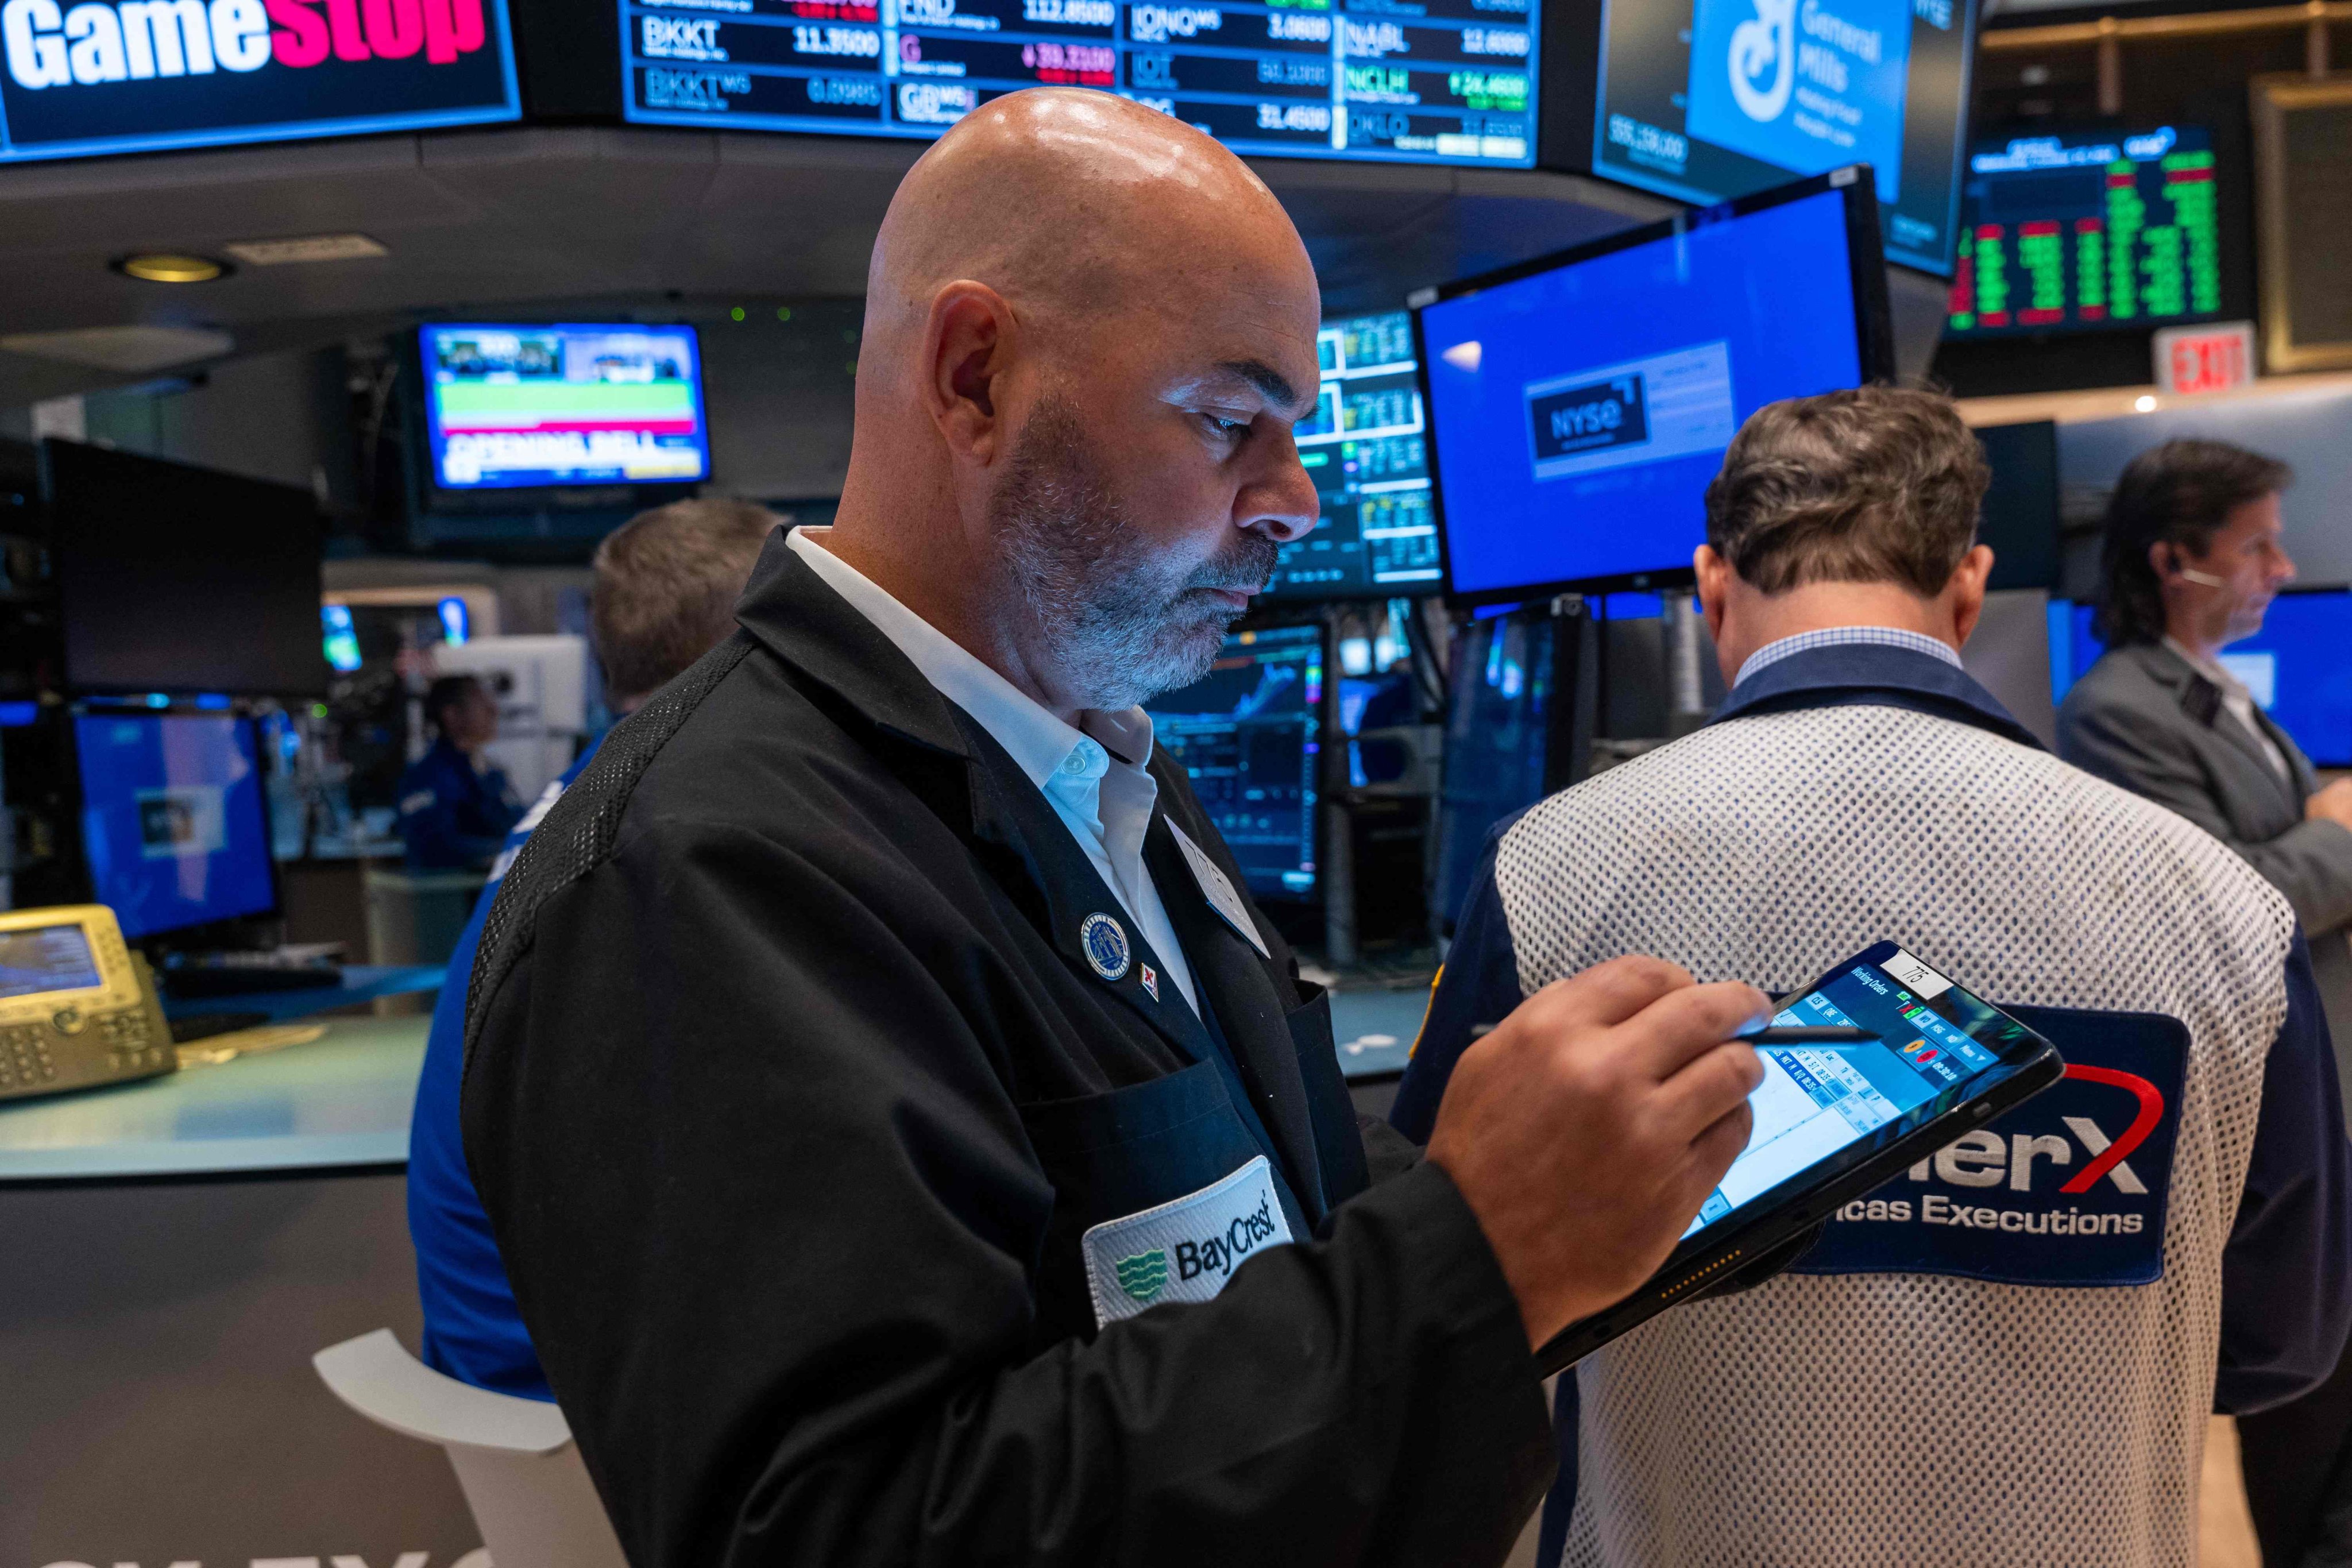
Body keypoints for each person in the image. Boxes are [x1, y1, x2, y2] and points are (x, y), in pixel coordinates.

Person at [460, 88, 1775, 1567]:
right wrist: (1475, 1256)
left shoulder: (1100, 764)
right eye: (1230, 421)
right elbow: (853, 1530)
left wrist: (1577, 1187)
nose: (1294, 501)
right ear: (975, 378)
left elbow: (1250, 1234)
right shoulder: (702, 869)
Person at [1393, 387, 2352, 1568]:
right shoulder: (2218, 904)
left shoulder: (1546, 869)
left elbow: (1443, 1285)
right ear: (1965, 585)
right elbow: (2272, 1344)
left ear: (1709, 587)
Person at [408, 497, 782, 1399]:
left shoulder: (599, 803)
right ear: (757, 642)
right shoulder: (675, 842)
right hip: (596, 1437)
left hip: (546, 1386)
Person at [2057, 439, 2352, 1567]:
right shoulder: (2113, 712)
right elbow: (2227, 904)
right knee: (2311, 1432)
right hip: (2280, 1116)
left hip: (2326, 1092)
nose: (2281, 568)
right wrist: (2332, 837)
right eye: (2258, 545)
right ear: (2173, 558)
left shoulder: (2218, 696)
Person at [395, 674, 524, 870]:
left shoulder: (490, 773)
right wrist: (511, 850)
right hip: (453, 896)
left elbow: (516, 824)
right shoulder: (426, 778)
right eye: (481, 703)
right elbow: (435, 848)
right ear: (452, 715)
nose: (493, 710)